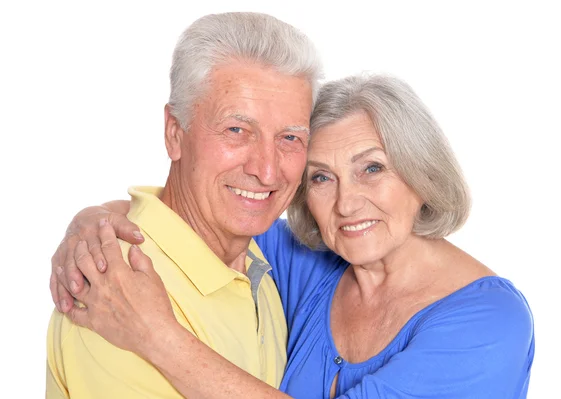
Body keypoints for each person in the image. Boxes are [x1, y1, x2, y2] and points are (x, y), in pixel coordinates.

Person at [51, 73, 535, 398]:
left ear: (421, 173)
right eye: (322, 177)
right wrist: (92, 222)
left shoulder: (491, 324)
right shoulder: (306, 262)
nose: (346, 203)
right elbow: (190, 219)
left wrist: (158, 337)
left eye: (372, 168)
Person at [45, 11, 323, 398]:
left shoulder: (260, 267)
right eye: (237, 130)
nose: (267, 170)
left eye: (290, 138)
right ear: (174, 133)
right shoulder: (114, 287)